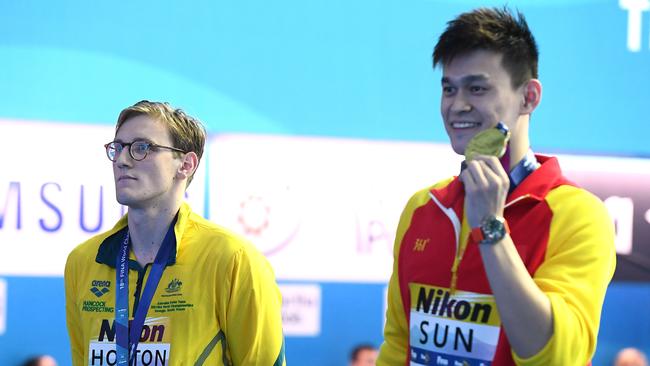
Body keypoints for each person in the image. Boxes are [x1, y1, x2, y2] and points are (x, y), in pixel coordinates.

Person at [377, 7, 616, 366]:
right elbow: (399, 346)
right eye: (449, 89)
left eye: (477, 88)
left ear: (529, 97)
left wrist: (492, 229)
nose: (457, 105)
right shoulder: (423, 208)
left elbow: (556, 357)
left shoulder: (578, 215)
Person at [65, 100, 285, 365]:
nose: (122, 160)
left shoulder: (232, 258)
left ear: (186, 164)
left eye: (141, 148)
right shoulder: (84, 260)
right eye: (118, 147)